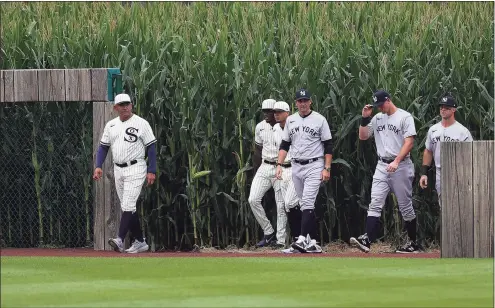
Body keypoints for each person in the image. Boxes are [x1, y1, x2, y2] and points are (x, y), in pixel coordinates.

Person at [350, 90, 420, 254]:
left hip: (401, 165)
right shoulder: (377, 118)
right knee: (375, 202)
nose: (380, 108)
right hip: (382, 165)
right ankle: (367, 240)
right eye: (377, 105)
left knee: (405, 206)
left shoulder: (404, 117)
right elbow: (363, 136)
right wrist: (365, 118)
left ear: (388, 100)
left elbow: (409, 142)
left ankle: (413, 243)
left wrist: (396, 161)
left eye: (381, 104)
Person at [92, 93, 157, 254]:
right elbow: (103, 147)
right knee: (128, 206)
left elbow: (151, 147)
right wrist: (98, 166)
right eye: (122, 105)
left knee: (128, 204)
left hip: (136, 167)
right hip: (118, 169)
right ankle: (140, 242)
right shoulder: (111, 125)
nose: (126, 107)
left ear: (132, 105)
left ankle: (120, 239)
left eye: (128, 104)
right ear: (116, 108)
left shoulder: (141, 123)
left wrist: (152, 170)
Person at [276, 88, 333, 253]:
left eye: (305, 100)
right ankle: (313, 242)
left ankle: (301, 240)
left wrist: (327, 168)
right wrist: (279, 164)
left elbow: (328, 144)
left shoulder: (319, 119)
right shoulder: (291, 120)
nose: (302, 104)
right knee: (304, 205)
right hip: (296, 165)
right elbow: (285, 144)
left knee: (307, 202)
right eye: (300, 101)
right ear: (296, 103)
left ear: (310, 102)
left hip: (314, 165)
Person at [419, 95, 473, 206]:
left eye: (446, 107)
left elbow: (471, 153)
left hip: (458, 172)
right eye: (441, 107)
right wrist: (424, 173)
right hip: (440, 171)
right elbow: (428, 151)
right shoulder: (433, 130)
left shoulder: (462, 131)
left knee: (459, 204)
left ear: (454, 110)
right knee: (443, 204)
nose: (443, 109)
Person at [248, 98, 288, 248]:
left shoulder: (284, 127)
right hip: (265, 166)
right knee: (253, 199)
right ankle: (268, 231)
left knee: (281, 204)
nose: (266, 114)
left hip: (280, 167)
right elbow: (257, 151)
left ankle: (280, 240)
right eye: (264, 111)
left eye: (269, 112)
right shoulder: (260, 127)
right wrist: (255, 171)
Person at [272, 101, 301, 253]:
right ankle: (296, 240)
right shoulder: (275, 128)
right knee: (286, 205)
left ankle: (303, 238)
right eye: (275, 111)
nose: (276, 114)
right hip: (283, 169)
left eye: (279, 111)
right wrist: (278, 166)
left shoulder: (295, 126)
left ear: (287, 113)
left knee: (294, 203)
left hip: (296, 167)